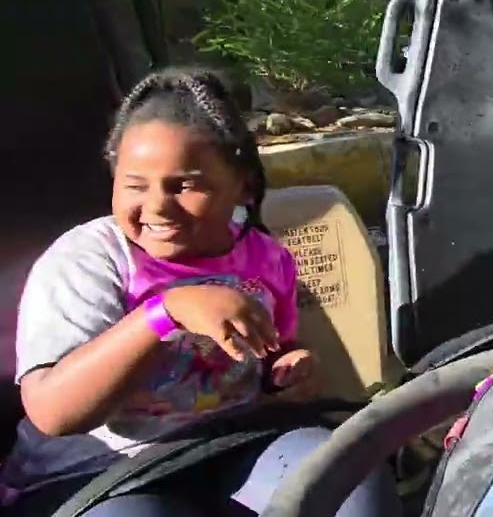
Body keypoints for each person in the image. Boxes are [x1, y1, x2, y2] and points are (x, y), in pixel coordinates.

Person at [2, 67, 399, 516]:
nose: (156, 205)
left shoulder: (264, 257)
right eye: (135, 185)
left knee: (347, 482)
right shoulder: (87, 261)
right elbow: (55, 413)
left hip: (233, 440)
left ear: (244, 186)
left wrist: (286, 368)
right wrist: (164, 312)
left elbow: (273, 349)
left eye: (184, 185)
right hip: (95, 470)